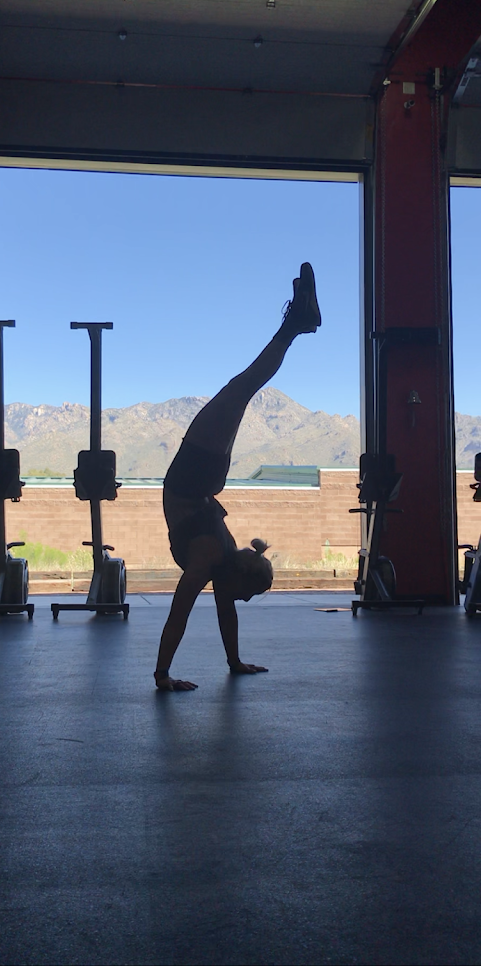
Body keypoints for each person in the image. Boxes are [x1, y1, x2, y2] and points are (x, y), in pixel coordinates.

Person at [154, 262, 322, 691]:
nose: (240, 600)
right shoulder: (215, 559)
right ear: (238, 579)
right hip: (195, 477)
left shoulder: (216, 560)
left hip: (200, 478)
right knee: (242, 388)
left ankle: (296, 323)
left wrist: (230, 663)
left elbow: (202, 613)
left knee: (242, 388)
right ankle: (295, 324)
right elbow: (188, 613)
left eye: (245, 597)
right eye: (247, 593)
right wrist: (165, 675)